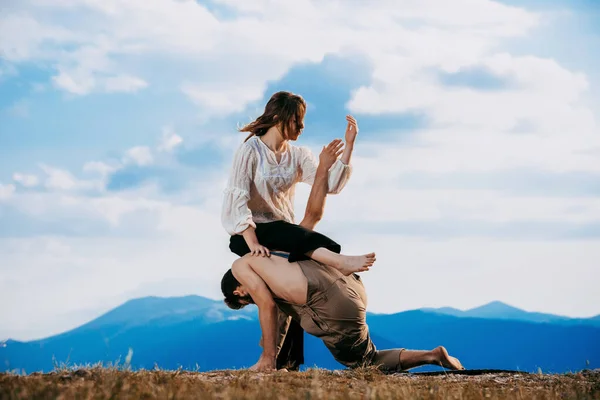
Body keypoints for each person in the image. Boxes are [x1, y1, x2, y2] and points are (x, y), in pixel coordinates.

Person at [220, 157, 465, 373]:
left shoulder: (241, 267)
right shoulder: (278, 248)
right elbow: (313, 216)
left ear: (238, 290)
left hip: (330, 302)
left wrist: (267, 359)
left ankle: (432, 355)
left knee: (365, 360)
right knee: (298, 312)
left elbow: (267, 306)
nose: (249, 299)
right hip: (350, 284)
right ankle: (285, 362)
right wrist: (324, 168)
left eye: (244, 299)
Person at [221, 91, 374, 369]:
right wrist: (252, 239)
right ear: (279, 118)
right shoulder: (250, 150)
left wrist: (349, 147)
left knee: (288, 298)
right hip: (249, 235)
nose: (301, 128)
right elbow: (237, 196)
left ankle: (289, 361)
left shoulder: (298, 156)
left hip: (286, 234)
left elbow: (330, 185)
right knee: (285, 232)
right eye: (297, 121)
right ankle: (337, 259)